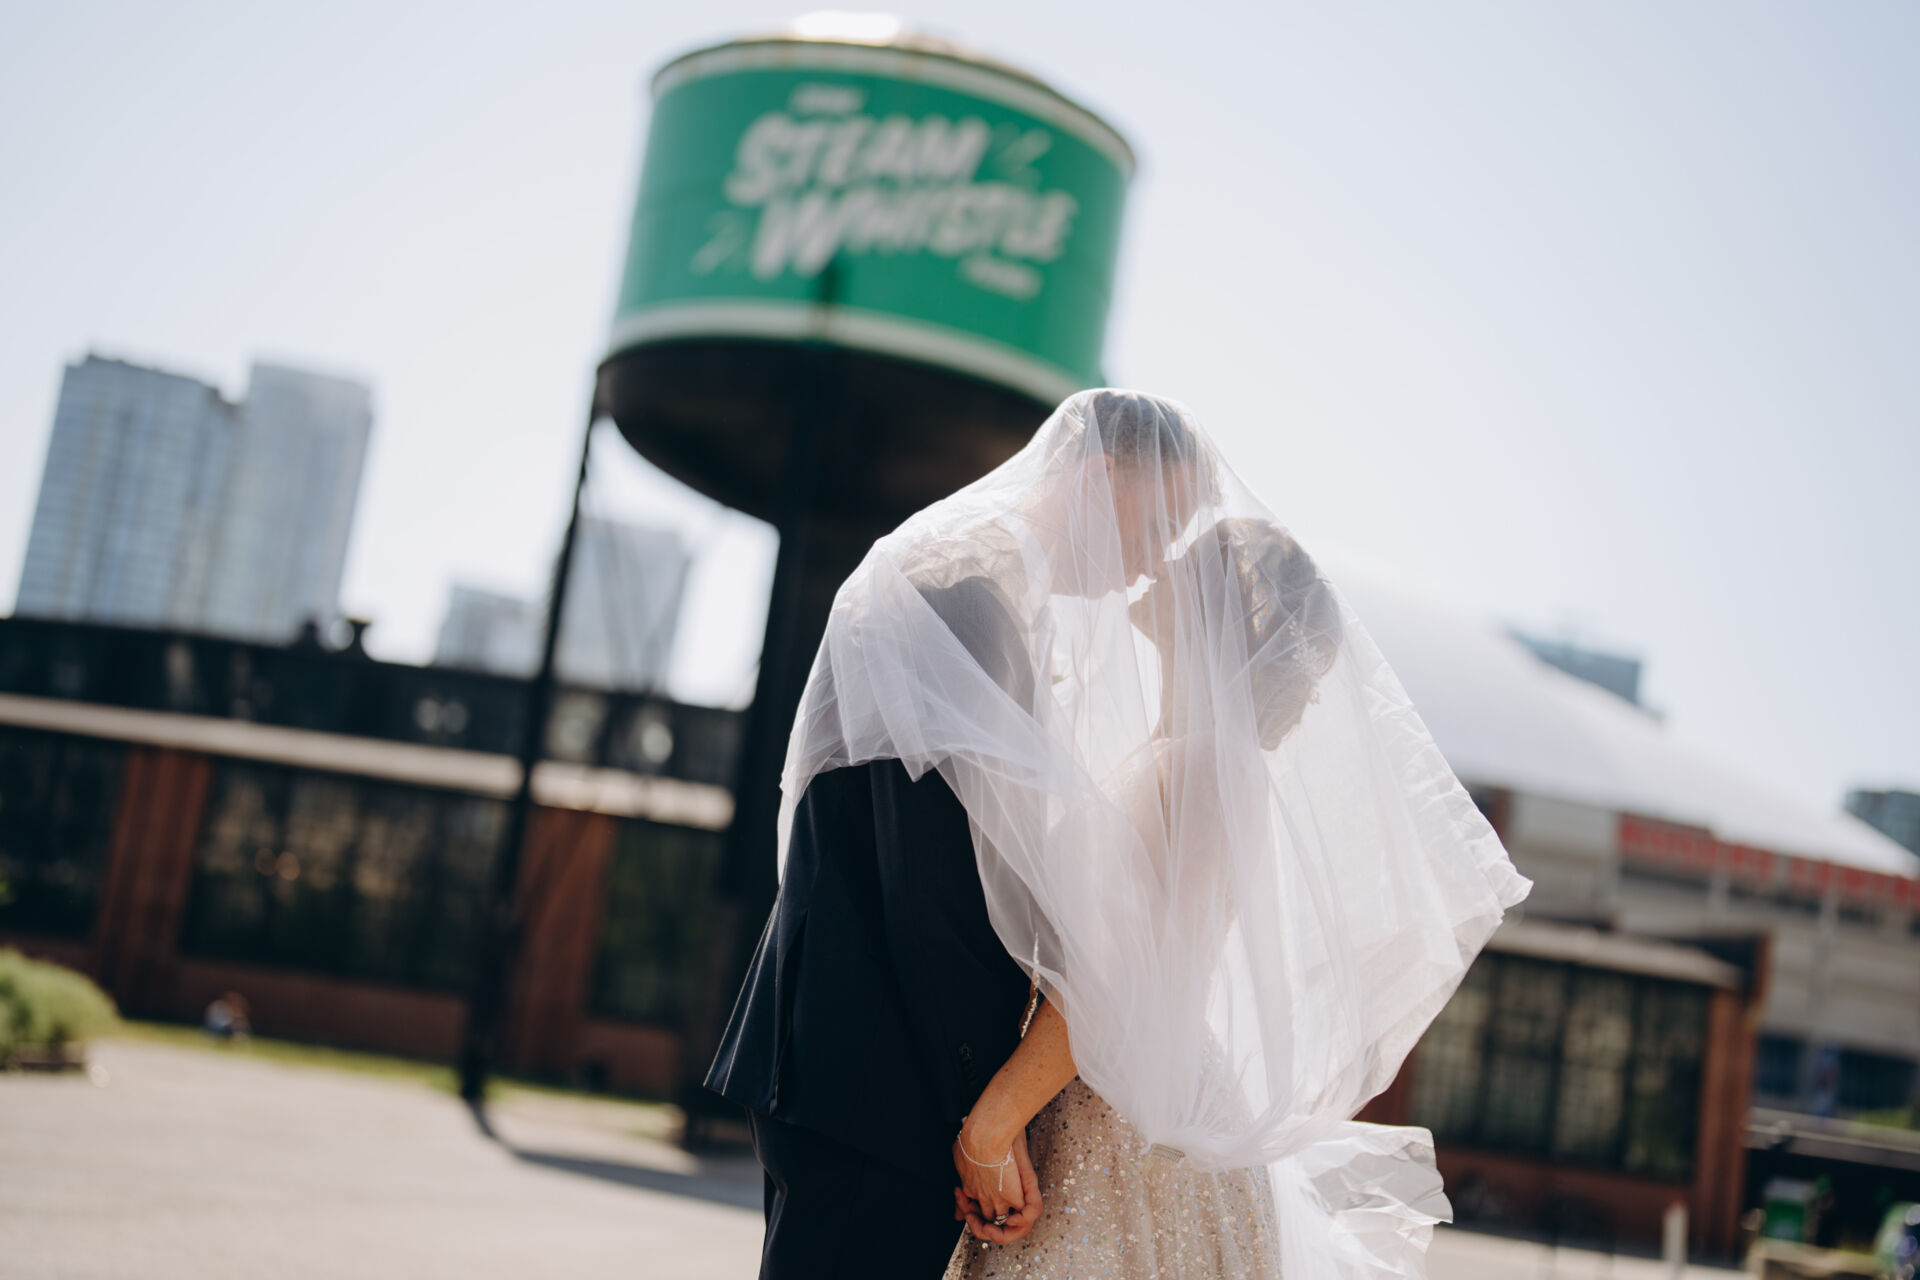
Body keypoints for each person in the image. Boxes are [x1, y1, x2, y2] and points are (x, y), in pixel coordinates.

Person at [710, 389, 1532, 1279]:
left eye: (1184, 553)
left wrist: (989, 1121)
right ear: (1103, 478)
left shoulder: (1191, 764)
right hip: (878, 1075)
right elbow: (923, 878)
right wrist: (985, 1119)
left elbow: (1107, 963)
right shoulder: (965, 603)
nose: (1151, 567)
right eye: (1163, 525)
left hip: (1043, 1112)